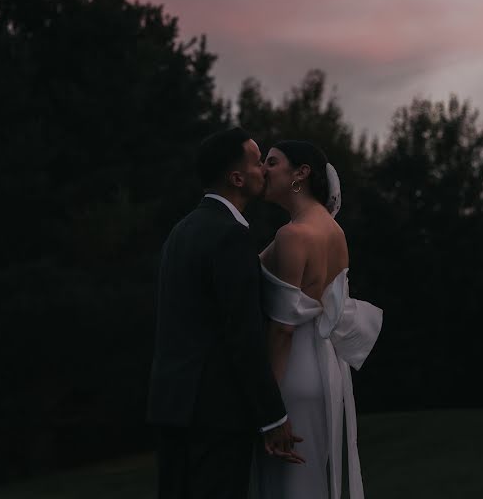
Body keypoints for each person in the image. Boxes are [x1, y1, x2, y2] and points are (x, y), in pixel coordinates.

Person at [147, 128, 303, 499]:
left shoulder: (181, 231)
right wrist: (273, 416)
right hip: (216, 414)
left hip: (172, 406)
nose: (264, 169)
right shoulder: (229, 236)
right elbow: (243, 336)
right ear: (236, 178)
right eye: (256, 162)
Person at [253, 140, 383, 499]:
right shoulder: (332, 231)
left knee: (288, 487)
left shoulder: (293, 235)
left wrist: (271, 408)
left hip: (292, 373)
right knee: (311, 482)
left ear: (301, 174)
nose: (264, 169)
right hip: (326, 369)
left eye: (273, 162)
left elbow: (282, 329)